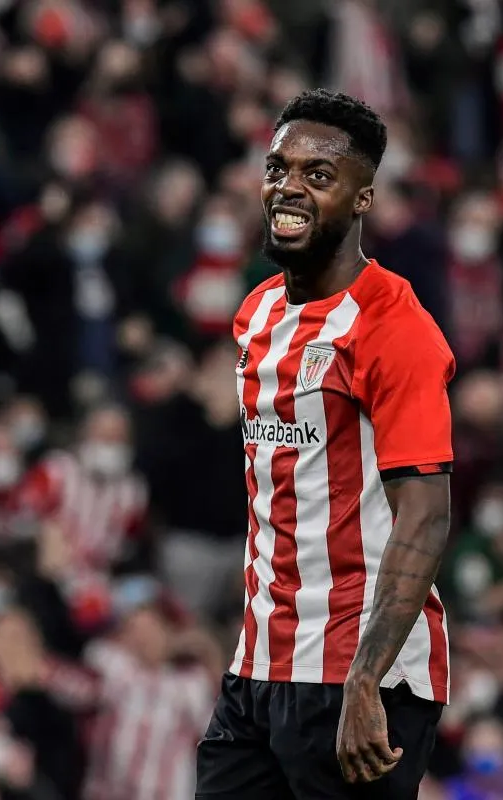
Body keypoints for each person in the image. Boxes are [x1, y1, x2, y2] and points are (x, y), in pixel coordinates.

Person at [195, 89, 454, 799]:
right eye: (278, 168)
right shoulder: (256, 314)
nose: (288, 187)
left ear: (362, 198)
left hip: (359, 675)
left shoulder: (394, 328)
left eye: (318, 174)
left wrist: (366, 678)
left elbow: (426, 515)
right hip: (258, 669)